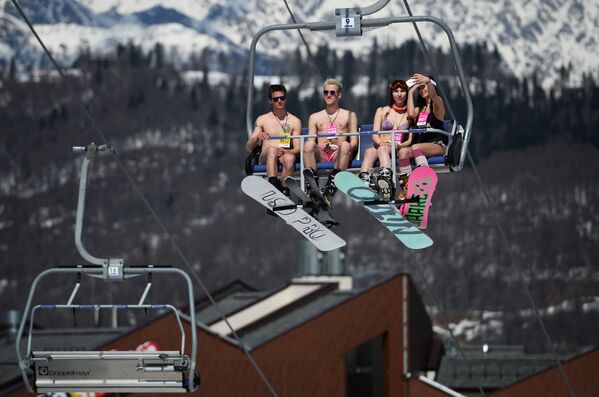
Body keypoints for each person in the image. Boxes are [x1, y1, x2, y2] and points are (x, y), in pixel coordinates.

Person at [304, 78, 358, 203]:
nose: (328, 95)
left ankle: (333, 185)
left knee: (345, 145)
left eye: (332, 92)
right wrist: (324, 146)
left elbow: (354, 143)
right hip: (322, 153)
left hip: (339, 154)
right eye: (326, 92)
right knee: (308, 145)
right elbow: (311, 141)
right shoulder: (315, 117)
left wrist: (337, 146)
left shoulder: (349, 115)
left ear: (339, 95)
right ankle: (312, 185)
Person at [358, 79, 413, 200]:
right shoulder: (382, 111)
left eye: (402, 91)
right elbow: (375, 134)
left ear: (406, 93)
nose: (399, 94)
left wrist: (399, 145)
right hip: (381, 144)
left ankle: (386, 178)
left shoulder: (410, 114)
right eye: (396, 91)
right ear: (391, 93)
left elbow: (409, 139)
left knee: (382, 149)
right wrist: (381, 142)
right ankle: (365, 181)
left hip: (397, 147)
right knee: (369, 152)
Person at [395, 73, 447, 200]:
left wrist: (428, 81)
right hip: (419, 148)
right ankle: (407, 188)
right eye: (420, 88)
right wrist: (411, 91)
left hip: (437, 144)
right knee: (403, 152)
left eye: (424, 87)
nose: (422, 90)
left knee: (416, 146)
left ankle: (423, 180)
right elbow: (411, 114)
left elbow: (434, 95)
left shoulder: (437, 104)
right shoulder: (421, 108)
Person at [246, 84, 302, 195]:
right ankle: (272, 181)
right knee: (272, 150)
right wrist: (257, 137)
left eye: (282, 98)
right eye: (276, 99)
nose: (279, 101)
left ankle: (283, 188)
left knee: (290, 158)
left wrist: (286, 151)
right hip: (266, 155)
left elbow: (297, 148)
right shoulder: (262, 119)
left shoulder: (294, 121)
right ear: (270, 101)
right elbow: (248, 147)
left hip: (284, 152)